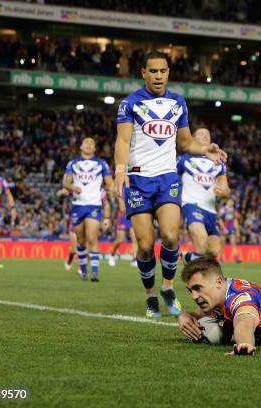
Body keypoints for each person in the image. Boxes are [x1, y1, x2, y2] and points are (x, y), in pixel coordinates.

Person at [115, 50, 226, 318]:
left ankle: (166, 287)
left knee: (171, 235)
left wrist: (205, 150)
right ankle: (150, 295)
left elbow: (186, 142)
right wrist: (120, 169)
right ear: (143, 73)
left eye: (163, 71)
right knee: (144, 245)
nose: (158, 76)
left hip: (167, 179)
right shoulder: (130, 103)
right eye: (153, 71)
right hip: (139, 180)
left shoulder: (178, 103)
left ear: (168, 73)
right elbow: (123, 141)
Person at [62, 138, 113, 282]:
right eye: (86, 142)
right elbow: (65, 182)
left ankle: (95, 272)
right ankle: (83, 271)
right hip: (77, 205)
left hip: (94, 205)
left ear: (95, 148)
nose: (89, 144)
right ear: (81, 146)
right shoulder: (73, 163)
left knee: (92, 238)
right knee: (81, 240)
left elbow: (109, 183)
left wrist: (113, 190)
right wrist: (72, 188)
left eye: (92, 143)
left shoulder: (102, 164)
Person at [178, 128, 230, 263]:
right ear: (193, 139)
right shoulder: (183, 160)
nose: (205, 135)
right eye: (201, 133)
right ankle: (196, 281)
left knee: (213, 251)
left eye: (207, 133)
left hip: (211, 210)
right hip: (191, 205)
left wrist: (224, 191)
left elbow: (226, 188)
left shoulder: (219, 163)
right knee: (201, 241)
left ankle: (188, 258)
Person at [109, 195, 138, 268]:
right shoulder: (121, 186)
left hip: (132, 214)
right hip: (123, 215)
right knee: (120, 239)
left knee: (134, 239)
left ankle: (134, 259)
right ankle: (112, 255)